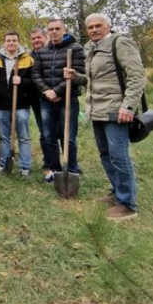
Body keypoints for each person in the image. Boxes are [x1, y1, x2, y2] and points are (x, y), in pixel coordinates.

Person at [65, 13, 145, 221]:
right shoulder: (91, 49)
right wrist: (77, 77)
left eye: (98, 26)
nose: (93, 30)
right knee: (105, 154)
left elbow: (137, 76)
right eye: (90, 27)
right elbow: (94, 81)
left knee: (119, 155)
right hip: (97, 110)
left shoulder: (120, 43)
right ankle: (116, 192)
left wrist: (128, 106)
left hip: (116, 110)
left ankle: (128, 204)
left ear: (108, 25)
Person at [31, 19, 86, 182]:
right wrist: (47, 91)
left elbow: (79, 73)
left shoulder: (75, 49)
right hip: (46, 100)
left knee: (68, 136)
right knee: (49, 136)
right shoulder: (42, 52)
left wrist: (57, 91)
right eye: (51, 29)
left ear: (64, 30)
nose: (54, 32)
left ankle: (72, 169)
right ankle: (55, 169)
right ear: (48, 32)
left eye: (57, 28)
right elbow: (36, 74)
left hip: (68, 99)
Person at [0, 32, 35, 177]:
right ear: (4, 43)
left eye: (14, 40)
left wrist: (22, 81)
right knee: (4, 137)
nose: (11, 43)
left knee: (23, 137)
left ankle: (25, 167)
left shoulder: (28, 60)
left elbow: (34, 82)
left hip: (21, 104)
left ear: (19, 42)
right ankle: (3, 164)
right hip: (1, 104)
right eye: (8, 40)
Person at [29, 27, 53, 176]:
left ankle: (67, 162)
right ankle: (48, 161)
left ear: (46, 37)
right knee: (44, 132)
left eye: (39, 38)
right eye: (33, 39)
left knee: (57, 132)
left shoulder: (53, 53)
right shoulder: (30, 57)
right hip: (37, 100)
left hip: (53, 97)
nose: (36, 41)